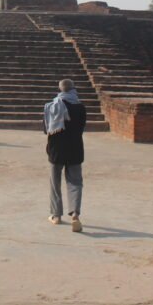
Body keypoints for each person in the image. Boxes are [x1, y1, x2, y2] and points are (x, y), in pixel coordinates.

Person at [44, 78, 86, 232]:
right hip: (75, 149)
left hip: (56, 150)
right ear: (73, 89)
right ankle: (75, 214)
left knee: (55, 183)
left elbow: (47, 130)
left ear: (60, 89)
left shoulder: (52, 106)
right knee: (75, 182)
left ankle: (56, 215)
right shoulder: (80, 107)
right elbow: (81, 128)